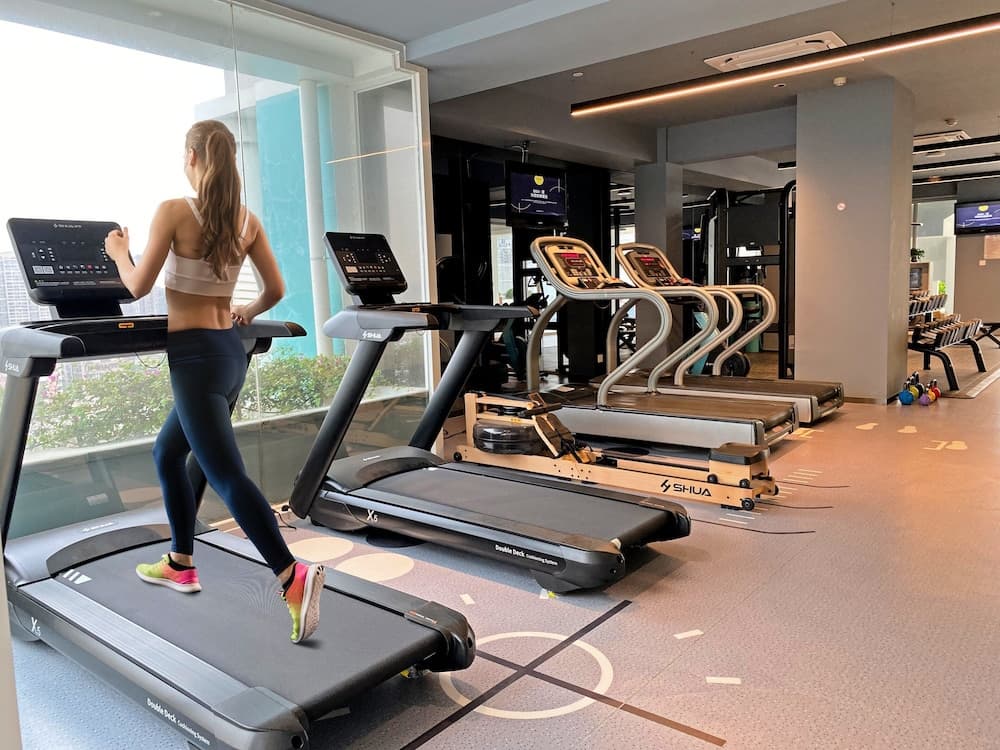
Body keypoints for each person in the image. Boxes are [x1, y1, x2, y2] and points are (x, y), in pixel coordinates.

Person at [104, 119, 324, 644]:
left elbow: (137, 286)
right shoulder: (245, 220)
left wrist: (118, 252)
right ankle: (180, 562)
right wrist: (245, 310)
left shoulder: (174, 211)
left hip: (195, 359)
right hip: (228, 354)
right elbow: (275, 289)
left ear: (192, 156)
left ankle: (290, 576)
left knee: (225, 475)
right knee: (167, 453)